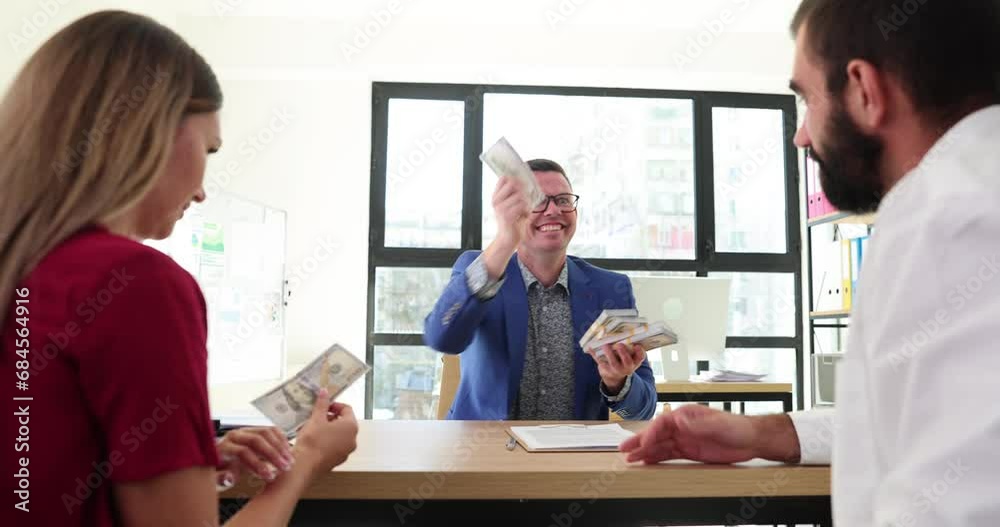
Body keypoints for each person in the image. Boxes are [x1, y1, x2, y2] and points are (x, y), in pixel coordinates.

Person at [621, 0, 1000, 525]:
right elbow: (935, 425)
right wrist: (759, 433)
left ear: (864, 89)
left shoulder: (944, 211)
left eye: (805, 99)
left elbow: (956, 506)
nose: (801, 135)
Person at [0, 11, 357, 527]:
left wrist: (193, 459)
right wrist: (306, 461)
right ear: (149, 132)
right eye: (208, 150)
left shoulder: (29, 268)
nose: (201, 190)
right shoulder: (136, 283)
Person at [424, 159, 657, 420]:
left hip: (573, 454)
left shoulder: (610, 289)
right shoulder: (482, 269)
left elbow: (643, 411)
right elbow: (441, 338)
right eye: (538, 201)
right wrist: (504, 240)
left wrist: (618, 382)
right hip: (487, 452)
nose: (553, 210)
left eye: (563, 200)